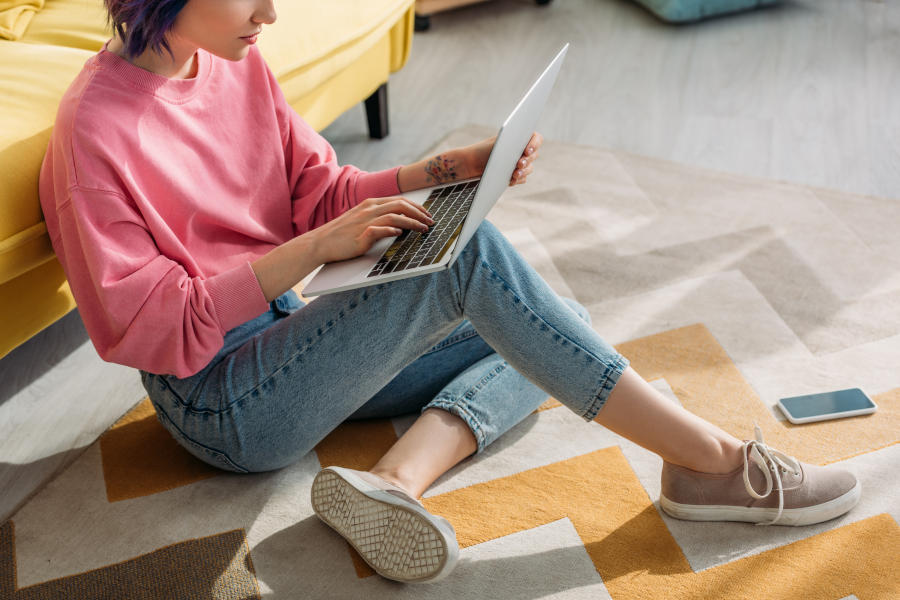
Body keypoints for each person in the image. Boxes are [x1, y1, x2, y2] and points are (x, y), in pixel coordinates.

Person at [39, 0, 861, 586]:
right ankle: (711, 464)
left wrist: (448, 171)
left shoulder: (229, 62)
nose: (273, 14)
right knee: (479, 269)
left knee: (552, 324)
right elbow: (151, 327)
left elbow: (320, 191)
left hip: (298, 335)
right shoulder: (94, 132)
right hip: (221, 402)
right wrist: (315, 251)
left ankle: (398, 480)